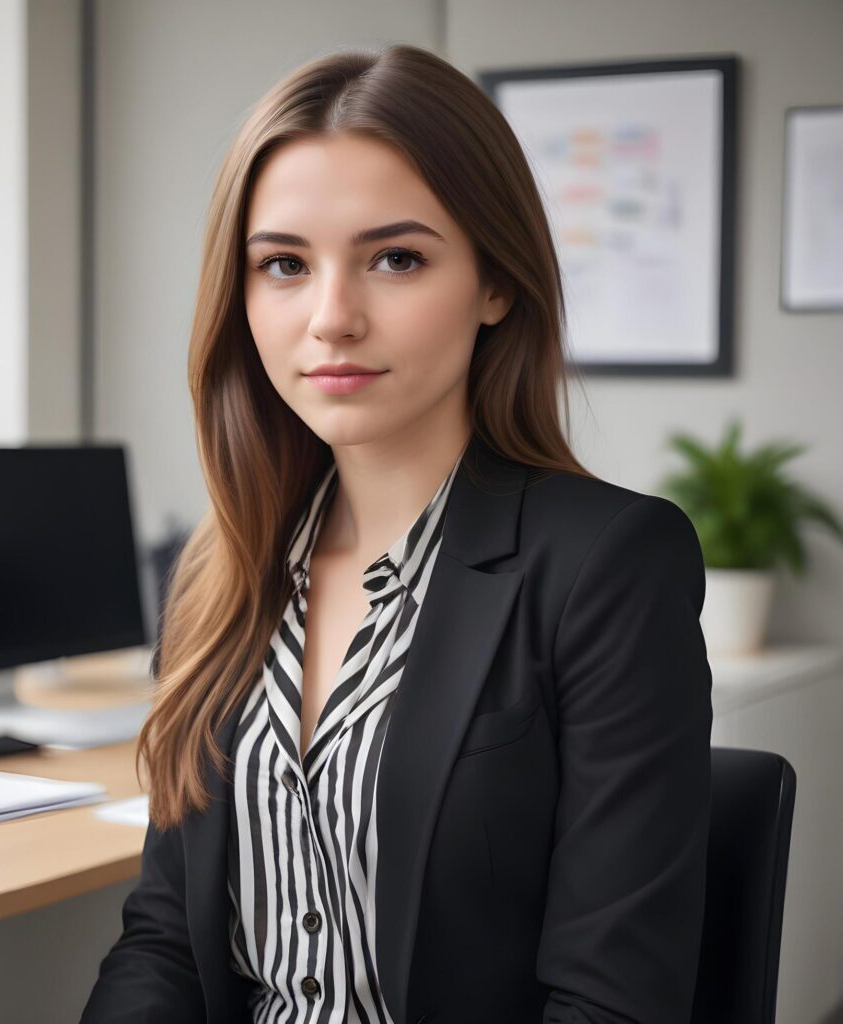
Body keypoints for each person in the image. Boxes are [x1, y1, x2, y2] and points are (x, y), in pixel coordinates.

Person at [81, 42, 712, 1024]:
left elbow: (610, 1002)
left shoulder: (609, 567)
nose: (331, 318)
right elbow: (163, 940)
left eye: (396, 258)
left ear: (495, 283)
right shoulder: (221, 572)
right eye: (283, 264)